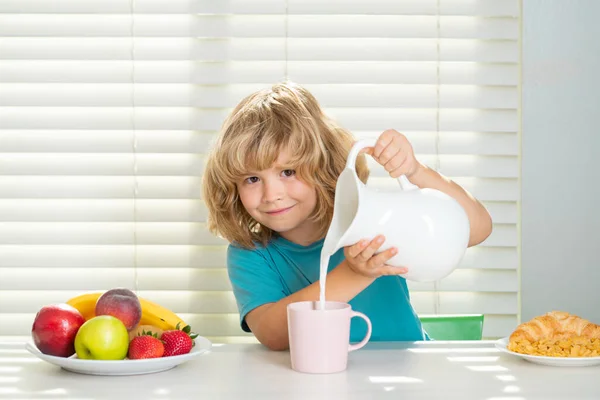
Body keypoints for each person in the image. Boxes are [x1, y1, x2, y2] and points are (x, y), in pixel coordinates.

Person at [203, 82, 493, 350]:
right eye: (252, 179)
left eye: (288, 172)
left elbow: (476, 229)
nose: (271, 194)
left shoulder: (369, 219)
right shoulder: (251, 255)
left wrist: (415, 171)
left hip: (408, 373)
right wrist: (353, 274)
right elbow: (273, 334)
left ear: (324, 166)